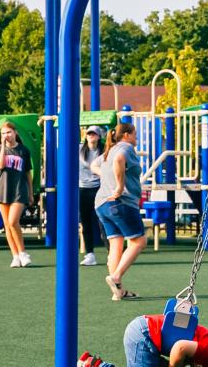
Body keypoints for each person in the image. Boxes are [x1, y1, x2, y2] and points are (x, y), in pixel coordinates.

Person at [78, 315, 208, 367]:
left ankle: (94, 364)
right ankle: (93, 365)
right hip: (144, 334)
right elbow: (180, 347)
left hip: (148, 332)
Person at [95, 122, 146, 300]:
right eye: (134, 134)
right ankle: (116, 277)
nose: (136, 138)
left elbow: (94, 165)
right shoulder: (126, 147)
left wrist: (107, 176)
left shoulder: (110, 150)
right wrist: (118, 186)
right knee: (138, 241)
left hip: (101, 204)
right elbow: (119, 161)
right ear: (126, 135)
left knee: (115, 244)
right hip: (120, 202)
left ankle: (118, 291)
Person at [0, 120, 34, 267]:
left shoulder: (23, 150)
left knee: (13, 221)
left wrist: (31, 192)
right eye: (3, 133)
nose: (6, 135)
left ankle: (23, 252)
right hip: (3, 190)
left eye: (8, 132)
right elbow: (0, 165)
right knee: (7, 225)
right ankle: (15, 256)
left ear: (15, 132)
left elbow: (28, 172)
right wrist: (3, 146)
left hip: (19, 189)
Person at [79, 125, 106, 266]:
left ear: (99, 136)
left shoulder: (103, 152)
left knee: (103, 221)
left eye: (94, 134)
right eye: (89, 134)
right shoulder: (79, 150)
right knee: (86, 223)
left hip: (98, 188)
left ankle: (111, 252)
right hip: (83, 189)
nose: (91, 136)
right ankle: (90, 254)